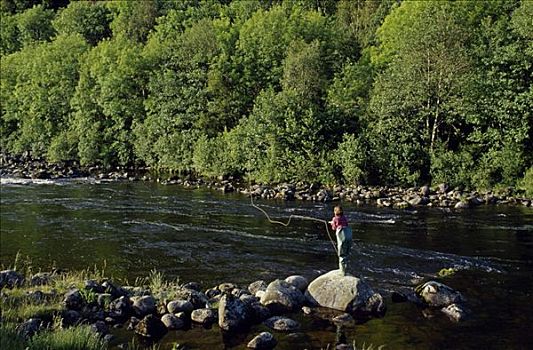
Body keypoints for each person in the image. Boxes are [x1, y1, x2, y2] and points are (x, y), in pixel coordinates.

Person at [330, 205, 352, 275]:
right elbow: (345, 224)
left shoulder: (335, 219)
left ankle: (342, 272)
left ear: (335, 212)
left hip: (341, 235)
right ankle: (346, 269)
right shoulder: (344, 217)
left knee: (341, 253)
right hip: (348, 235)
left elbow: (334, 228)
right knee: (346, 252)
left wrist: (332, 223)